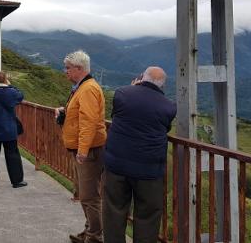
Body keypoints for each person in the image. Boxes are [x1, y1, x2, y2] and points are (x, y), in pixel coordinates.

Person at [102, 67, 176, 243]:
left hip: (117, 166)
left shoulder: (122, 94)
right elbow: (164, 128)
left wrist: (132, 87)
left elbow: (118, 115)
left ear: (142, 77)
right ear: (162, 85)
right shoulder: (169, 107)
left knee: (114, 210)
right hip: (149, 171)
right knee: (148, 216)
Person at [55, 50, 106, 243]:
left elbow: (89, 122)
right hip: (83, 149)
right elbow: (81, 117)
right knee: (85, 195)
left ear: (79, 68)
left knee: (89, 197)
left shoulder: (88, 89)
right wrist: (64, 112)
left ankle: (94, 236)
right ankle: (90, 231)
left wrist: (83, 151)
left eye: (68, 68)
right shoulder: (81, 87)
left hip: (89, 151)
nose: (65, 71)